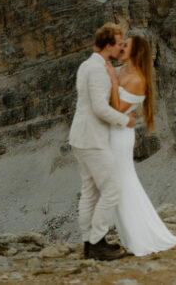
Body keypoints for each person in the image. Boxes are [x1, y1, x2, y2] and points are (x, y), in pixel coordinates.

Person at [105, 34, 176, 256]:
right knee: (118, 183)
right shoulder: (123, 70)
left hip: (119, 137)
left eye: (125, 46)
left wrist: (111, 78)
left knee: (123, 183)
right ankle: (130, 237)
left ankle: (140, 239)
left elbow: (117, 108)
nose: (121, 48)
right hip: (112, 132)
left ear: (136, 52)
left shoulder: (138, 79)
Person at [69, 23, 135, 261]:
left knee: (90, 192)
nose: (121, 48)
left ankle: (89, 243)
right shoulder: (97, 70)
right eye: (118, 44)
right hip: (92, 139)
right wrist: (123, 120)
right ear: (108, 45)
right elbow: (98, 107)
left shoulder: (88, 65)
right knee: (112, 189)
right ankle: (98, 243)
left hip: (81, 136)